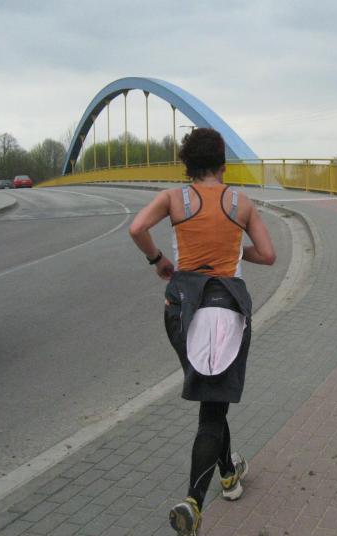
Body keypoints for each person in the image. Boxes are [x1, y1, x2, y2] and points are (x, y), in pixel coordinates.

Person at [129, 128, 276, 535]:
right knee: (213, 408)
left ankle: (228, 474)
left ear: (187, 165)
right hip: (224, 311)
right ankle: (193, 502)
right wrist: (234, 248)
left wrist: (159, 260)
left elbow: (137, 228)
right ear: (223, 165)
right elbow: (268, 254)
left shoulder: (173, 198)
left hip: (180, 309)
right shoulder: (241, 202)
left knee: (212, 395)